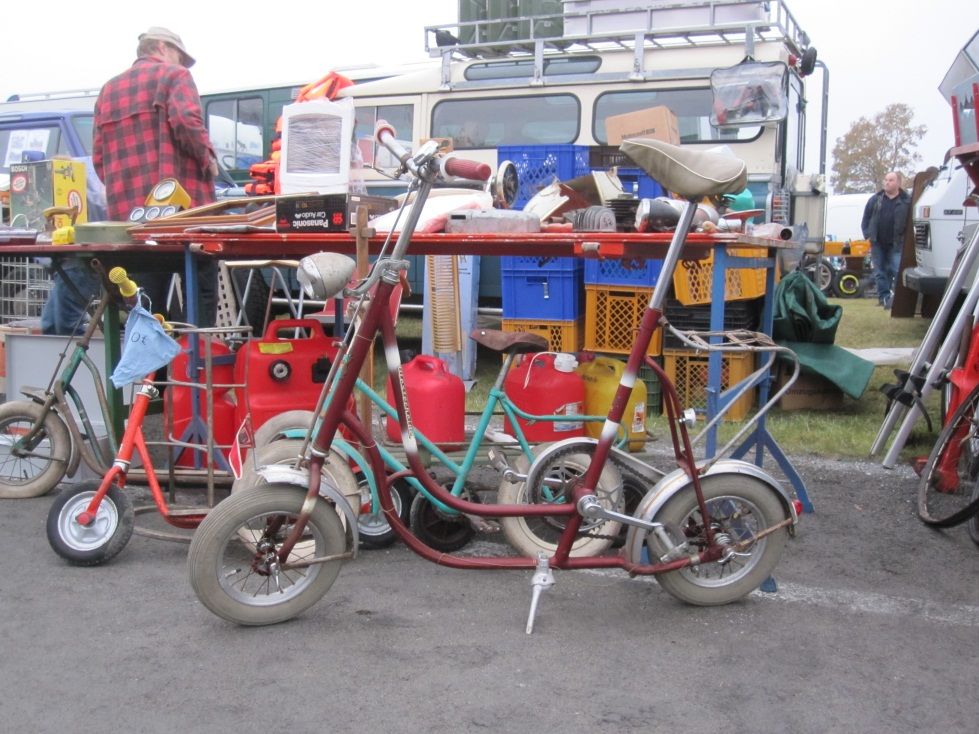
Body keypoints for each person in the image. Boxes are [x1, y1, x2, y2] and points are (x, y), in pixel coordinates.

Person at [92, 26, 218, 325]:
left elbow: (99, 159)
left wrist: (125, 195)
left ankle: (151, 372)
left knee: (146, 304)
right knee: (199, 290)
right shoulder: (175, 76)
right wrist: (207, 158)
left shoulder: (108, 91)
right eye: (179, 56)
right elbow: (187, 121)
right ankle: (194, 365)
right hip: (182, 219)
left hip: (132, 225)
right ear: (161, 47)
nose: (181, 64)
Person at [861, 171, 911, 310]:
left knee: (897, 271)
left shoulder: (906, 200)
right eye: (886, 180)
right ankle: (884, 299)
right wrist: (867, 234)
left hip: (896, 243)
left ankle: (899, 300)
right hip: (877, 243)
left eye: (891, 180)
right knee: (880, 272)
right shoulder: (875, 199)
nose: (887, 182)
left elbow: (910, 221)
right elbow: (866, 218)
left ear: (898, 183)